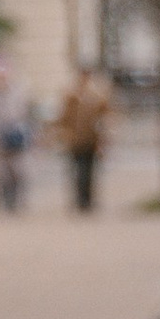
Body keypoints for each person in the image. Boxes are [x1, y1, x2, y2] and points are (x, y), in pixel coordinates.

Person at [60, 67, 113, 213]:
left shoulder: (98, 97)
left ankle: (88, 199)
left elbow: (106, 116)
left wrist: (104, 136)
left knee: (90, 171)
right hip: (75, 141)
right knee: (78, 171)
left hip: (91, 140)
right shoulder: (71, 97)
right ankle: (79, 199)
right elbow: (65, 117)